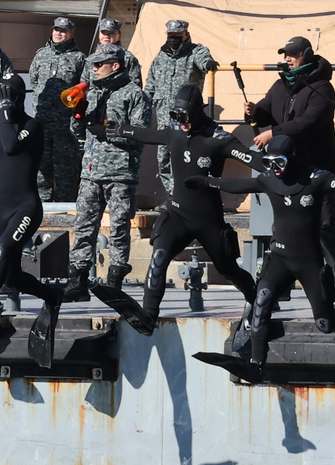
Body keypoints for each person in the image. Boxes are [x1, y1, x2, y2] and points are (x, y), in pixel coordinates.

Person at [192, 134, 335, 376]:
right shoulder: (268, 179)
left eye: (279, 162)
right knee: (261, 301)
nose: (274, 168)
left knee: (325, 325)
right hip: (280, 258)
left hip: (309, 263)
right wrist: (206, 182)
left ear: (291, 158)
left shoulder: (316, 178)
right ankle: (256, 364)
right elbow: (237, 184)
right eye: (268, 162)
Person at [89, 86, 264, 334]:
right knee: (159, 258)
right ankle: (149, 316)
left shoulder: (219, 139)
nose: (181, 122)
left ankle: (259, 299)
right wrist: (116, 130)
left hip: (208, 221)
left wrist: (278, 164)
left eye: (185, 117)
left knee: (228, 269)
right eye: (176, 116)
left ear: (198, 112)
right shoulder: (175, 131)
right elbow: (147, 135)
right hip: (177, 215)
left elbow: (250, 158)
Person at [244, 37, 335, 296]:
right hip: (288, 169)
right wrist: (254, 112)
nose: (287, 59)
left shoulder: (322, 87)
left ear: (306, 55)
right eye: (285, 55)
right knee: (283, 228)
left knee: (323, 225)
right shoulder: (280, 85)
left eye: (292, 55)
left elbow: (310, 122)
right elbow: (267, 110)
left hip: (317, 168)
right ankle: (280, 284)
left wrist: (274, 133)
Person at [0, 76, 64, 363]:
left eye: (7, 95)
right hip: (2, 209)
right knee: (10, 275)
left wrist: (4, 111)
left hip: (27, 207)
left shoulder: (33, 127)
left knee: (2, 251)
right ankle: (51, 296)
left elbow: (11, 146)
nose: (3, 100)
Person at [64, 44, 153, 302]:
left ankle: (114, 279)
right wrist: (77, 115)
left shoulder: (134, 95)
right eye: (92, 65)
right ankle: (77, 280)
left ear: (115, 66)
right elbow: (78, 133)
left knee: (119, 226)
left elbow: (141, 133)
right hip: (91, 171)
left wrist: (110, 132)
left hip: (120, 172)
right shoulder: (92, 93)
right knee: (83, 226)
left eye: (99, 64)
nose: (94, 69)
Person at [145, 20, 218, 194]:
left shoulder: (195, 51)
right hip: (164, 120)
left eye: (178, 35)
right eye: (171, 35)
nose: (173, 38)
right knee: (163, 159)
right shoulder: (160, 57)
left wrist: (208, 64)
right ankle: (172, 196)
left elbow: (203, 59)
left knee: (185, 160)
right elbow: (150, 86)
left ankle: (186, 196)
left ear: (186, 34)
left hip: (186, 122)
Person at [30, 17, 87, 202]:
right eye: (56, 29)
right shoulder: (41, 54)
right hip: (42, 122)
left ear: (71, 34)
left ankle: (66, 209)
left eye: (63, 31)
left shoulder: (79, 58)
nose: (58, 33)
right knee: (41, 168)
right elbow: (34, 81)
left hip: (66, 125)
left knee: (66, 170)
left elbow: (84, 88)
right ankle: (42, 208)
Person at [92, 19, 142, 86]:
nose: (107, 36)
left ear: (119, 35)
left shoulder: (127, 57)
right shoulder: (92, 58)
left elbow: (136, 84)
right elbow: (85, 81)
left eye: (111, 33)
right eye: (104, 33)